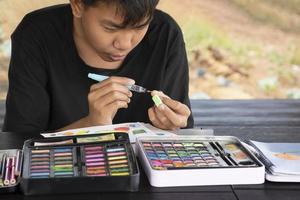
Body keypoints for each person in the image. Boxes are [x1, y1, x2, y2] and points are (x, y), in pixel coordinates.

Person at [3, 0, 194, 133]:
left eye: (140, 27)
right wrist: (91, 124)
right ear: (77, 5)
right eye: (111, 28)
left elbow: (182, 131)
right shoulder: (37, 35)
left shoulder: (165, 34)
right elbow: (19, 144)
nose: (125, 44)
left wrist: (173, 125)